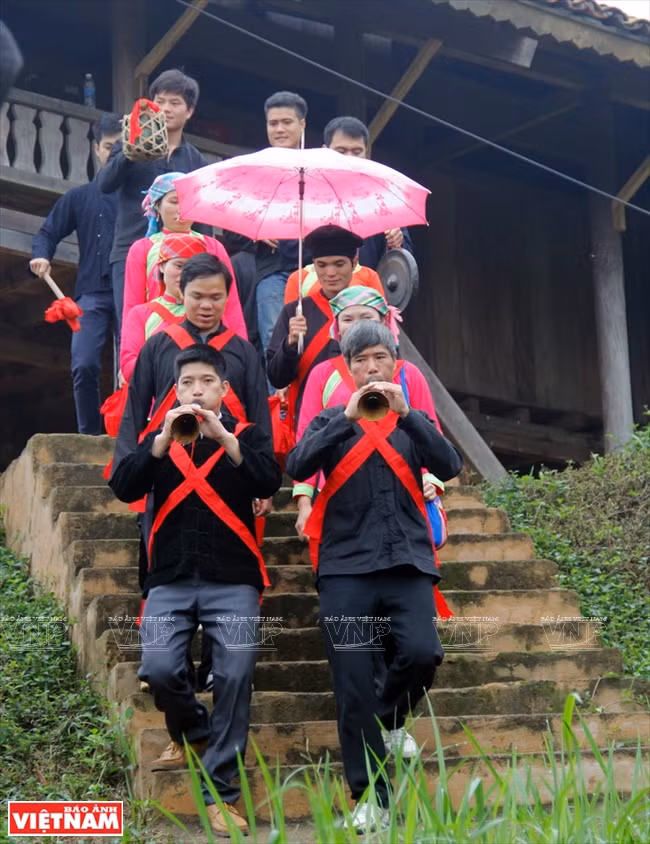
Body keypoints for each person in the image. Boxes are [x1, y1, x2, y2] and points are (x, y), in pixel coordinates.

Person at [286, 321, 462, 832]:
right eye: (360, 360)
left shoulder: (412, 420)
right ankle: (371, 798)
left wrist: (409, 417)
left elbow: (448, 464)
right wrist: (344, 419)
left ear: (395, 362)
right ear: (348, 368)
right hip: (345, 567)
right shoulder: (329, 417)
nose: (370, 367)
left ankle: (387, 720)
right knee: (353, 682)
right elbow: (297, 463)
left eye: (379, 357)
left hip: (407, 561)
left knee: (423, 653)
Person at [109, 344, 282, 837]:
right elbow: (124, 486)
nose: (196, 390)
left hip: (235, 580)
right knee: (160, 669)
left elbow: (269, 479)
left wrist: (225, 437)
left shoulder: (246, 434)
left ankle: (221, 794)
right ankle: (198, 732)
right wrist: (161, 440)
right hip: (170, 577)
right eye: (187, 383)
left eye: (206, 381)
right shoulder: (159, 438)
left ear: (224, 389)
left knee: (235, 674)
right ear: (176, 390)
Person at [293, 286, 442, 539]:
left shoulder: (408, 373)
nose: (356, 325)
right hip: (339, 492)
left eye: (366, 317)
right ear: (337, 326)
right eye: (347, 319)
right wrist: (304, 502)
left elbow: (431, 432)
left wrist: (431, 479)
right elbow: (307, 438)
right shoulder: (322, 374)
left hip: (403, 490)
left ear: (383, 322)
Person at [112, 253, 271, 480]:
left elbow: (259, 415)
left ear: (228, 297)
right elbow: (134, 411)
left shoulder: (245, 351)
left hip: (231, 471)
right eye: (197, 296)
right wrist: (125, 473)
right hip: (167, 469)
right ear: (181, 293)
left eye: (216, 297)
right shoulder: (156, 346)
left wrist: (263, 475)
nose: (206, 305)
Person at [98, 69, 210, 334]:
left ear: (189, 111)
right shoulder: (128, 145)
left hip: (180, 258)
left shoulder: (196, 162)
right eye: (160, 101)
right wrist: (130, 152)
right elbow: (105, 184)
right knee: (131, 328)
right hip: (130, 249)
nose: (166, 108)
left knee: (178, 329)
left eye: (175, 103)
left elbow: (202, 219)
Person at [30, 113, 122, 435]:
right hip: (91, 294)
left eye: (121, 148)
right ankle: (89, 435)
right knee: (83, 363)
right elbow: (47, 233)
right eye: (109, 147)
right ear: (97, 149)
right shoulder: (80, 197)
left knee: (134, 366)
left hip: (132, 292)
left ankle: (132, 432)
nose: (115, 154)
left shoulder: (140, 198)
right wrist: (41, 255)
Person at [222, 90, 308, 358]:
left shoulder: (315, 168)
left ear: (302, 124)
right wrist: (256, 233)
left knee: (316, 341)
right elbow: (230, 228)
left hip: (313, 270)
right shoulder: (254, 170)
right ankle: (277, 389)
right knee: (275, 340)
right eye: (273, 123)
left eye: (287, 122)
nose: (279, 129)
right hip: (271, 270)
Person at [266, 225, 376, 425]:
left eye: (339, 264)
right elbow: (277, 378)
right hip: (309, 423)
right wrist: (290, 344)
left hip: (365, 419)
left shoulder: (371, 310)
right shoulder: (295, 312)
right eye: (322, 265)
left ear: (354, 263)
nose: (330, 272)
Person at [121, 173, 245, 341]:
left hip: (207, 335)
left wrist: (238, 347)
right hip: (158, 336)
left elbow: (231, 303)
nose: (181, 208)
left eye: (187, 201)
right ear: (157, 206)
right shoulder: (143, 248)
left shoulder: (213, 246)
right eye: (174, 201)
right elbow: (133, 303)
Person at [322, 116, 414, 270]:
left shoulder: (383, 196)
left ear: (367, 152)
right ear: (325, 151)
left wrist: (397, 242)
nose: (350, 158)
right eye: (341, 151)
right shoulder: (306, 192)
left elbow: (405, 260)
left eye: (357, 152)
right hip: (316, 280)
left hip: (367, 282)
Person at [120, 232, 204, 382]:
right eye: (179, 265)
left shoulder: (209, 313)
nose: (185, 274)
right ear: (161, 266)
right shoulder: (141, 314)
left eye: (193, 267)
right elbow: (129, 366)